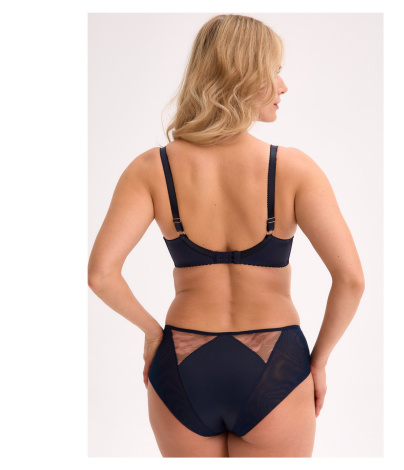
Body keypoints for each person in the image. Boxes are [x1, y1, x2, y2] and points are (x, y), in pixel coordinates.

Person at [88, 14, 365, 458]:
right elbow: (351, 279)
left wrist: (153, 335)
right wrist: (318, 361)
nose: (283, 86)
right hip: (276, 363)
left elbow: (101, 275)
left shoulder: (150, 170)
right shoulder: (294, 169)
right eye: (274, 71)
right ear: (243, 77)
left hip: (181, 362)